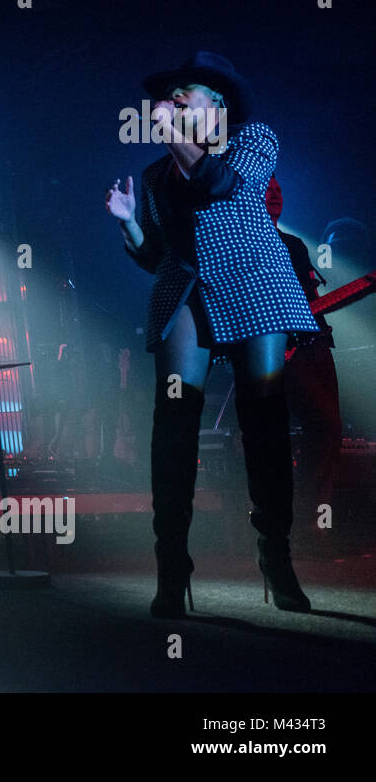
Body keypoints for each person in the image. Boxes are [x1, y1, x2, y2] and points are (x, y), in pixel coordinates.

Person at [105, 52, 318, 617]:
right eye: (169, 94)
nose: (173, 98)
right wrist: (129, 221)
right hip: (185, 286)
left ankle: (276, 553)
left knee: (263, 417)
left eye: (186, 91)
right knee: (173, 420)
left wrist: (175, 134)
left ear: (218, 103)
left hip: (255, 278)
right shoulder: (154, 175)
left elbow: (222, 184)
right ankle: (172, 566)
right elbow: (156, 256)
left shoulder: (253, 139)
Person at [265, 176, 342, 529]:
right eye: (267, 187)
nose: (276, 193)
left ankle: (315, 525)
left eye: (280, 189)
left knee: (326, 431)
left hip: (314, 347)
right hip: (274, 351)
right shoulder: (241, 243)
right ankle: (281, 522)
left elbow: (312, 300)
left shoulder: (295, 244)